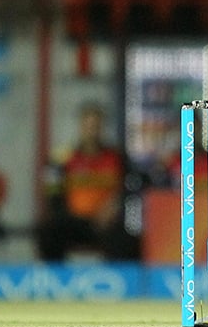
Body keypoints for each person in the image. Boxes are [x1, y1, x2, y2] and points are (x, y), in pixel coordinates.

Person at [36, 102, 137, 261]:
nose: (92, 131)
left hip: (108, 223)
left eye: (96, 126)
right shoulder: (61, 159)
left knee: (129, 235)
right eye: (87, 126)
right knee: (48, 230)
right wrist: (67, 214)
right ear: (80, 127)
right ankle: (55, 278)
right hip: (74, 222)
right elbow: (52, 194)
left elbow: (130, 188)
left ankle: (120, 280)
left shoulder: (117, 158)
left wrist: (114, 206)